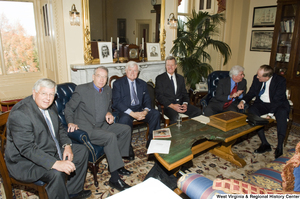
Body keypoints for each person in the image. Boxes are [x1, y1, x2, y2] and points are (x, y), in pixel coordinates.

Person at [5, 78, 91, 199]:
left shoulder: (50, 105)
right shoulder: (20, 113)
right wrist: (55, 163)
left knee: (81, 151)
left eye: (51, 94)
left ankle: (73, 192)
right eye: (43, 93)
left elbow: (59, 127)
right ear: (34, 93)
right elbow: (27, 149)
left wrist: (67, 145)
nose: (48, 98)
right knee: (56, 173)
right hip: (25, 161)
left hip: (48, 148)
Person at [64, 66, 133, 191]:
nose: (102, 80)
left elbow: (108, 107)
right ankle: (114, 178)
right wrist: (70, 123)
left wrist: (108, 113)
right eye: (99, 76)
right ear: (93, 77)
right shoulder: (82, 89)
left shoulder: (107, 90)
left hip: (102, 125)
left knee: (125, 129)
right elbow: (69, 108)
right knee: (110, 137)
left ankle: (118, 165)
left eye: (104, 77)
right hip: (87, 128)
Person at [237, 65, 290, 159]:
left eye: (259, 76)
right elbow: (251, 92)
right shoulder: (256, 78)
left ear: (267, 77)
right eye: (257, 75)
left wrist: (270, 114)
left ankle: (279, 147)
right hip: (262, 103)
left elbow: (278, 100)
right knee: (252, 111)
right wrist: (243, 101)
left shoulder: (280, 80)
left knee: (282, 113)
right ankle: (265, 143)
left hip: (278, 104)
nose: (257, 77)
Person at [112, 61, 161, 148]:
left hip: (139, 109)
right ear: (126, 71)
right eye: (130, 70)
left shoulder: (142, 83)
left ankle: (152, 143)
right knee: (124, 119)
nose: (132, 73)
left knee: (156, 114)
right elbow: (117, 102)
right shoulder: (117, 84)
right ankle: (127, 148)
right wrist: (133, 114)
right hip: (126, 111)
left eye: (135, 71)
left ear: (138, 72)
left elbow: (147, 100)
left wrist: (145, 112)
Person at [155, 56, 202, 125]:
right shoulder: (160, 79)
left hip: (181, 104)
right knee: (175, 117)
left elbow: (185, 94)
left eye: (172, 65)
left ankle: (187, 129)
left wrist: (185, 104)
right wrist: (173, 106)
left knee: (198, 111)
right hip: (168, 106)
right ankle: (178, 133)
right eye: (168, 65)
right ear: (165, 66)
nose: (170, 67)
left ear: (176, 66)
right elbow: (159, 96)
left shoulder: (180, 78)